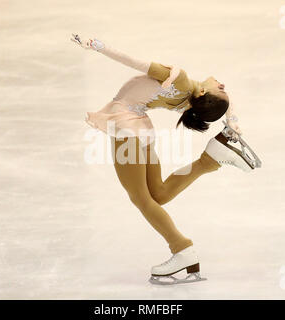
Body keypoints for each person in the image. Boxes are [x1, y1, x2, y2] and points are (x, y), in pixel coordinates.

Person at [71, 34, 254, 284]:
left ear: (203, 92)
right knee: (159, 194)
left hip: (126, 125)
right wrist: (231, 120)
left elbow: (135, 62)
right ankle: (208, 161)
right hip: (141, 128)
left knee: (141, 198)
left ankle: (181, 248)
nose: (223, 84)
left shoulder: (180, 81)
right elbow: (218, 103)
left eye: (221, 88)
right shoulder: (190, 101)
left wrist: (99, 47)